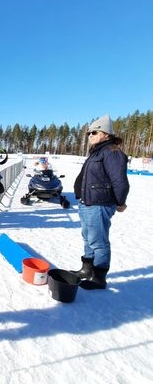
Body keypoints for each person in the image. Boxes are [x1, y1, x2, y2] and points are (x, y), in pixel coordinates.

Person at [71, 114, 129, 290]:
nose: (90, 136)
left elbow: (120, 181)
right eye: (89, 133)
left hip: (100, 203)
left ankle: (98, 277)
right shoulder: (97, 151)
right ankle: (86, 269)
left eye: (94, 132)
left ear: (106, 134)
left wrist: (120, 202)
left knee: (99, 241)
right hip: (87, 202)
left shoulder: (112, 152)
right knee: (88, 238)